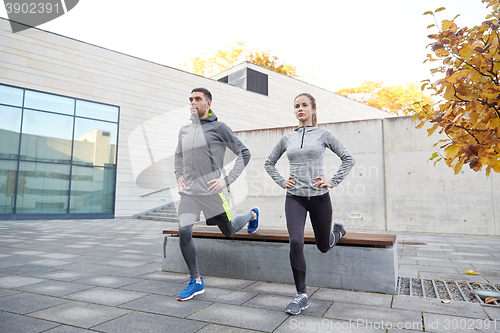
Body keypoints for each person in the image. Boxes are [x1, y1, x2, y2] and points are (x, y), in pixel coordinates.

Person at [264, 93, 355, 315]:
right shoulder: (287, 138)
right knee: (296, 241)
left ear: (313, 109)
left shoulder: (324, 134)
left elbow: (348, 158)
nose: (300, 109)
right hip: (294, 197)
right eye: (296, 106)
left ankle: (337, 232)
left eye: (304, 105)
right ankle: (301, 295)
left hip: (319, 198)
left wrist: (331, 181)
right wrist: (282, 182)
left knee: (323, 246)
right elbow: (269, 163)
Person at [174, 87, 259, 301]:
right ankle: (196, 280)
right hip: (189, 194)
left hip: (212, 191)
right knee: (184, 231)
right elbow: (178, 156)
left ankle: (252, 215)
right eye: (190, 99)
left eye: (198, 99)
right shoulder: (184, 130)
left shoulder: (219, 128)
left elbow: (244, 153)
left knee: (229, 230)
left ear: (208, 103)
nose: (193, 102)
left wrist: (226, 179)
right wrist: (179, 175)